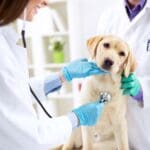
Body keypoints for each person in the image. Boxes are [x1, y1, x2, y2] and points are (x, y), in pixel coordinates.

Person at [0, 0, 107, 150]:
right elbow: (29, 137)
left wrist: (62, 76)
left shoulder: (4, 36)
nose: (45, 3)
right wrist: (76, 118)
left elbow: (11, 91)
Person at [97, 0, 150, 149]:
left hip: (145, 133)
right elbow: (99, 59)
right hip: (111, 136)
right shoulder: (108, 16)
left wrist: (142, 89)